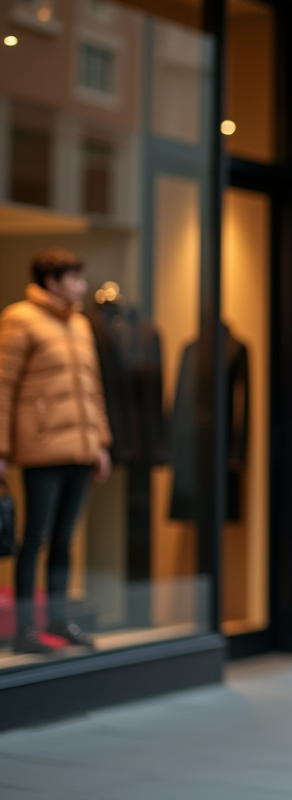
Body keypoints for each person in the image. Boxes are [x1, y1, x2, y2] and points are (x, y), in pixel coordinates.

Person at [0, 248, 112, 655]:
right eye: (75, 278)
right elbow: (3, 386)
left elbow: (92, 388)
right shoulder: (20, 319)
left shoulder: (80, 324)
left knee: (65, 539)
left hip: (80, 450)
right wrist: (1, 447)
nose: (82, 285)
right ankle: (25, 630)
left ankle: (60, 621)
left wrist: (101, 441)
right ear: (52, 281)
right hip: (41, 448)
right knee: (36, 537)